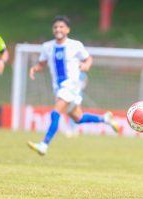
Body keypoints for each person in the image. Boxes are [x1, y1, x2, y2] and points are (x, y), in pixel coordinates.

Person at [27, 16, 120, 156]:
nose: (58, 29)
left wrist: (86, 65)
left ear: (68, 29)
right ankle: (105, 119)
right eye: (56, 27)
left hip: (71, 84)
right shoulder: (47, 47)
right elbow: (42, 63)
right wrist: (35, 68)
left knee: (55, 112)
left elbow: (88, 58)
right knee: (78, 118)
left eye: (61, 26)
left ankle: (44, 144)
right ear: (53, 30)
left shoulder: (75, 45)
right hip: (58, 87)